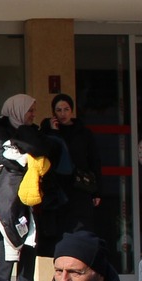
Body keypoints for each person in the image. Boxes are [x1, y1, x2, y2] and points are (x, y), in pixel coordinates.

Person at [0, 94, 65, 281]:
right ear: (18, 110)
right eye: (30, 111)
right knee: (6, 231)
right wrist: (27, 158)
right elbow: (3, 157)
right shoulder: (0, 130)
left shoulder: (32, 131)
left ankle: (25, 280)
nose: (33, 115)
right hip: (6, 192)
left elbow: (45, 151)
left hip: (30, 191)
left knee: (30, 232)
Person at [43, 94, 101, 236]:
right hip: (57, 187)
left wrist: (96, 191)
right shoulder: (48, 131)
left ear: (72, 111)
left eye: (66, 109)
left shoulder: (83, 133)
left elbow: (94, 161)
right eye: (59, 110)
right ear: (53, 112)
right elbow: (47, 153)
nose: (63, 114)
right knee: (60, 226)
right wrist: (53, 132)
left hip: (79, 185)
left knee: (81, 226)